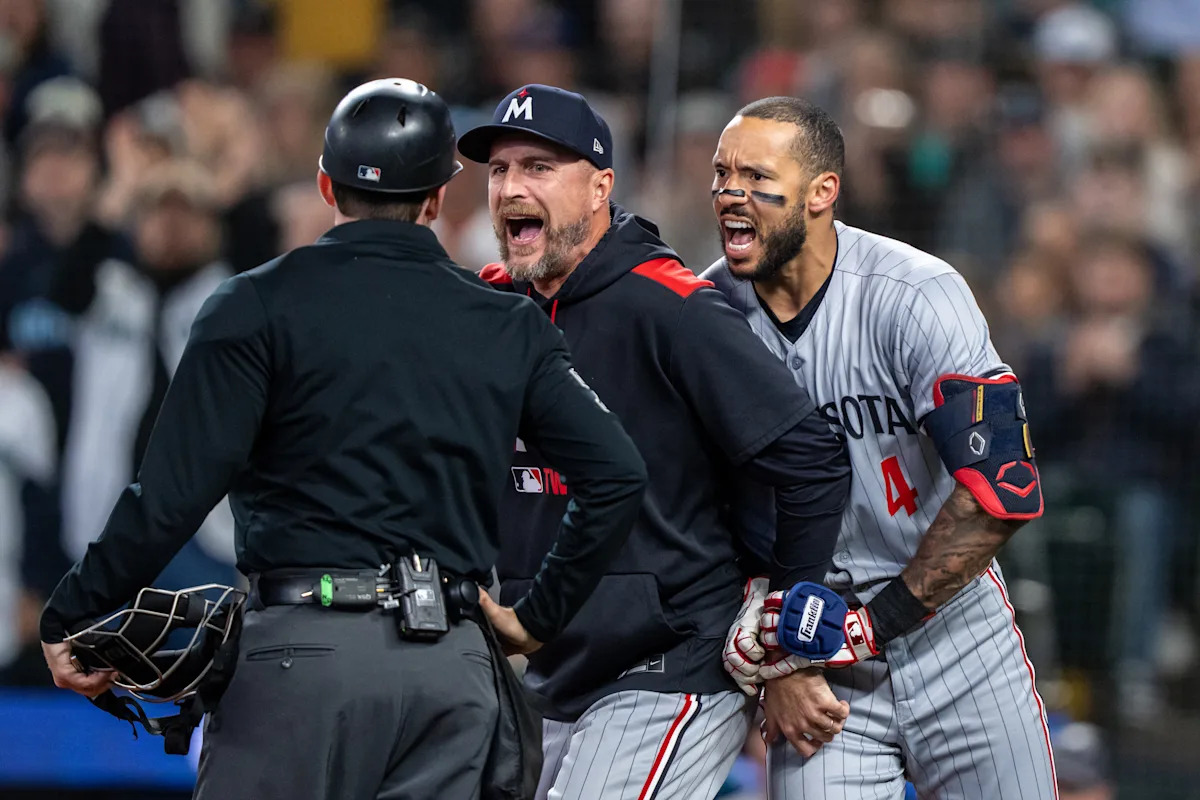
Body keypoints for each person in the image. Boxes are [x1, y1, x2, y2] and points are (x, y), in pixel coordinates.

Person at [38, 78, 649, 800]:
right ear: (437, 198)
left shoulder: (253, 304)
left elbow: (170, 497)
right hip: (450, 665)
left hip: (299, 659)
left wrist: (77, 607)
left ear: (327, 185)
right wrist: (537, 617)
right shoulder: (506, 321)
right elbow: (617, 474)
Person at [456, 84, 852, 800]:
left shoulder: (667, 304)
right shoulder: (494, 311)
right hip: (557, 668)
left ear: (600, 187)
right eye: (500, 170)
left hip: (674, 660)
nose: (511, 187)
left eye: (539, 167)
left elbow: (813, 460)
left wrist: (789, 640)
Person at [702, 96, 1056, 798]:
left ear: (821, 192)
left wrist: (870, 627)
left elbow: (1003, 488)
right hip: (816, 660)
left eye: (756, 176)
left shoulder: (914, 294)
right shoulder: (705, 316)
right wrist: (780, 658)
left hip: (958, 638)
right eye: (721, 174)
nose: (730, 194)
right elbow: (699, 507)